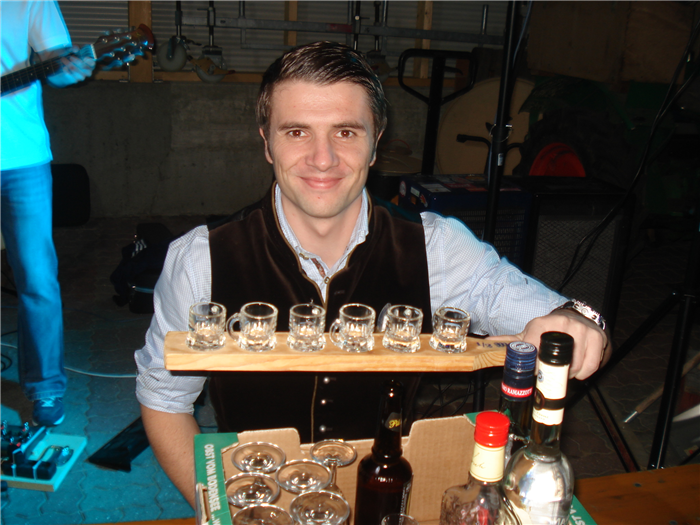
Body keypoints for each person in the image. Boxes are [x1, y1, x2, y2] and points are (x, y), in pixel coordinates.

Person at [135, 41, 611, 507]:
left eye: (345, 132)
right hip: (260, 504)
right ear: (267, 143)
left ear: (376, 142)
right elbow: (164, 400)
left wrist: (580, 323)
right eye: (297, 132)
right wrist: (218, 509)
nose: (322, 158)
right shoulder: (200, 260)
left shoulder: (435, 247)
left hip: (380, 501)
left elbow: (567, 321)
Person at [0, 0, 95, 426]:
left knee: (37, 280)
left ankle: (46, 388)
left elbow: (57, 62)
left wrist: (69, 67)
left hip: (22, 159)